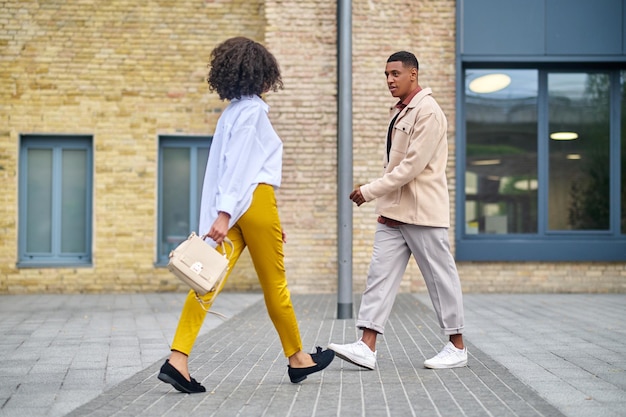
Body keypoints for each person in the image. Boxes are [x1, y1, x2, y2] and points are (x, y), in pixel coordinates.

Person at [158, 37, 334, 394]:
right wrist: (225, 215)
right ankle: (298, 359)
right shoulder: (253, 112)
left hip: (238, 207)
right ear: (259, 74)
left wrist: (226, 215)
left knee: (207, 282)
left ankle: (178, 359)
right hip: (250, 203)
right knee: (275, 284)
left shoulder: (232, 112)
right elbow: (242, 169)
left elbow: (227, 169)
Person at [328, 51, 467, 370]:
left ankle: (457, 346)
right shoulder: (403, 111)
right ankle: (366, 345)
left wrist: (369, 190)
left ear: (413, 75)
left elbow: (412, 167)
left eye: (395, 74)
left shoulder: (428, 111)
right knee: (379, 276)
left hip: (422, 212)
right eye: (386, 74)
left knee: (439, 278)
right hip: (394, 212)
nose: (389, 80)